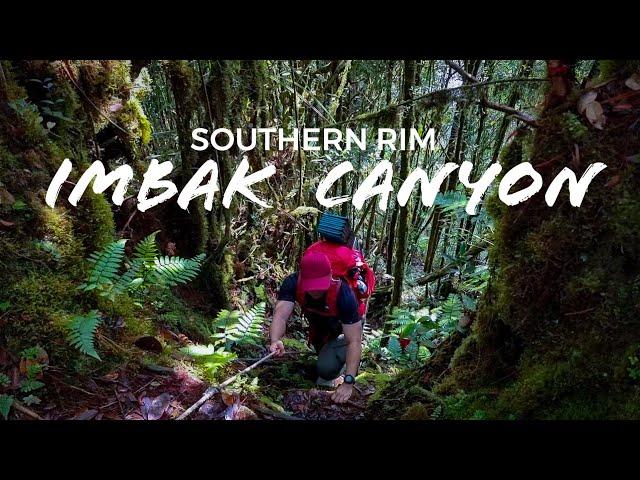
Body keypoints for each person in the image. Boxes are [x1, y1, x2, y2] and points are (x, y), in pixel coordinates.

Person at [269, 251, 363, 404]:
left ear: (330, 275)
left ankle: (342, 365)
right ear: (302, 277)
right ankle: (328, 354)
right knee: (322, 356)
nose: (316, 291)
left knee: (325, 369)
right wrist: (275, 340)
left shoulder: (344, 294)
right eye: (311, 285)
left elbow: (354, 341)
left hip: (346, 331)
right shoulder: (292, 283)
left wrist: (348, 382)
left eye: (320, 285)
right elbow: (280, 316)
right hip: (322, 330)